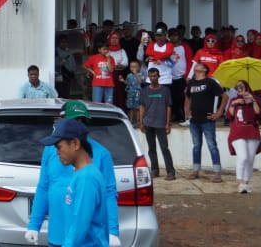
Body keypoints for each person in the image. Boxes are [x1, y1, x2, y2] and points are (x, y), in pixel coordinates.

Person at [25, 100, 120, 247]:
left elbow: (108, 194)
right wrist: (34, 225)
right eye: (74, 120)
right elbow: (43, 187)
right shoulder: (54, 150)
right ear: (61, 121)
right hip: (57, 234)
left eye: (82, 121)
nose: (79, 125)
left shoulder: (97, 160)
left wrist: (113, 230)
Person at [34, 120, 108, 247]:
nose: (57, 152)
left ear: (75, 143)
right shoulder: (81, 173)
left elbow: (79, 226)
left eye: (59, 147)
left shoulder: (87, 178)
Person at [183, 62, 225, 182]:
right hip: (194, 119)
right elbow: (187, 96)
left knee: (212, 145)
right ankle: (195, 170)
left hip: (207, 120)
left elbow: (224, 96)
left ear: (205, 70)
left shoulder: (210, 82)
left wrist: (219, 113)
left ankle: (217, 172)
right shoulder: (191, 82)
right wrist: (187, 111)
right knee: (196, 146)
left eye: (199, 68)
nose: (196, 69)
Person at [225, 80, 261, 193]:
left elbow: (259, 114)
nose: (239, 88)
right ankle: (240, 182)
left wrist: (253, 101)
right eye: (237, 87)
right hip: (237, 133)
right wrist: (234, 104)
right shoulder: (233, 100)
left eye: (242, 86)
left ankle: (246, 184)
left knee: (250, 159)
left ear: (247, 87)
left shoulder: (254, 99)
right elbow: (229, 116)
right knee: (243, 157)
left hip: (252, 132)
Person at [139, 68, 176, 180]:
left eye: (155, 76)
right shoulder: (145, 91)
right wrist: (141, 122)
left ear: (159, 76)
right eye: (151, 76)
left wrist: (168, 123)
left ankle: (171, 172)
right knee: (151, 149)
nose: (153, 78)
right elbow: (142, 106)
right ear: (148, 77)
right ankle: (155, 171)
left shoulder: (165, 90)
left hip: (161, 123)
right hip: (148, 123)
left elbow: (168, 107)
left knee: (164, 148)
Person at [125, 60, 144, 127]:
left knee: (137, 107)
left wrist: (136, 74)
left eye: (135, 67)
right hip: (130, 93)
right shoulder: (129, 75)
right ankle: (131, 120)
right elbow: (127, 83)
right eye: (131, 67)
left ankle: (138, 121)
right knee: (131, 107)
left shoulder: (141, 74)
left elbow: (140, 81)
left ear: (139, 68)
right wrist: (122, 80)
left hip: (137, 93)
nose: (133, 68)